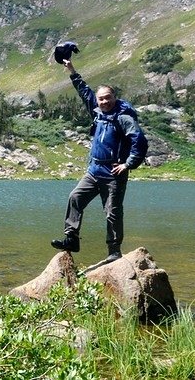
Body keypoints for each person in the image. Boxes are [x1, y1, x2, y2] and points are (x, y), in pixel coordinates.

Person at [51, 58, 148, 262]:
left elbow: (139, 141)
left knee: (112, 213)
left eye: (108, 98)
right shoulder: (97, 112)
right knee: (75, 198)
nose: (104, 101)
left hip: (114, 173)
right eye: (101, 99)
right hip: (94, 170)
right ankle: (72, 238)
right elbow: (84, 91)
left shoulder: (123, 117)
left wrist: (128, 164)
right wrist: (71, 69)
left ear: (114, 97)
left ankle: (114, 251)